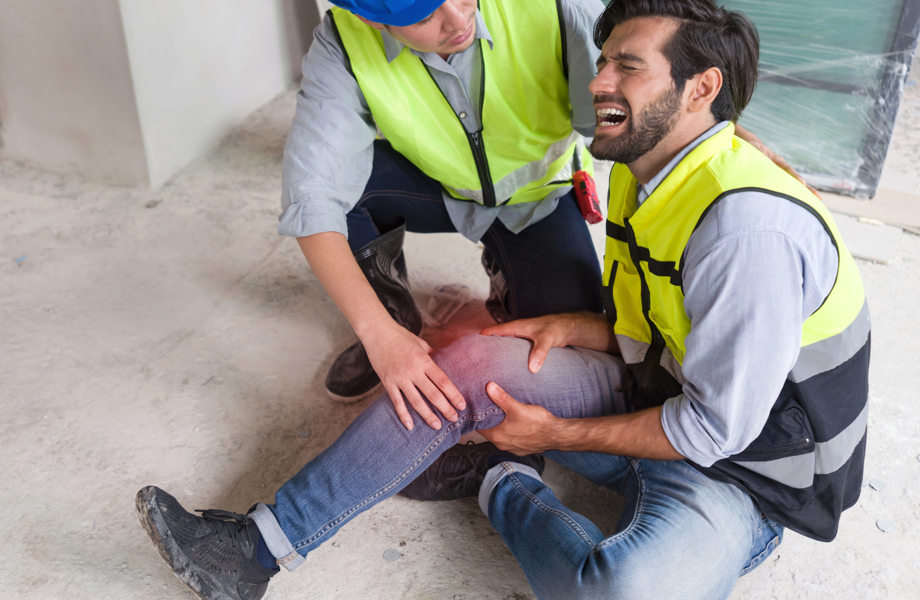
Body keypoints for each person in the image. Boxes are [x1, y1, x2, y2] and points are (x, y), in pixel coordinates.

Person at [135, 0, 870, 599]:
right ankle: (253, 548)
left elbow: (714, 431)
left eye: (627, 66)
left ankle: (499, 484)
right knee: (463, 363)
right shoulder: (643, 171)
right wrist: (585, 327)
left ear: (701, 89)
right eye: (605, 60)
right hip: (662, 381)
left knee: (620, 591)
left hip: (747, 473)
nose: (599, 80)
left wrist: (552, 433)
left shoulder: (746, 229)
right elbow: (665, 317)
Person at [282, 0, 608, 420]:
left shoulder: (558, 7)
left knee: (567, 358)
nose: (458, 19)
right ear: (371, 18)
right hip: (439, 184)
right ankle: (399, 321)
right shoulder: (344, 41)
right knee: (339, 194)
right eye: (423, 17)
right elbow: (310, 195)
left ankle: (507, 268)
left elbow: (633, 131)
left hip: (538, 198)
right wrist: (379, 334)